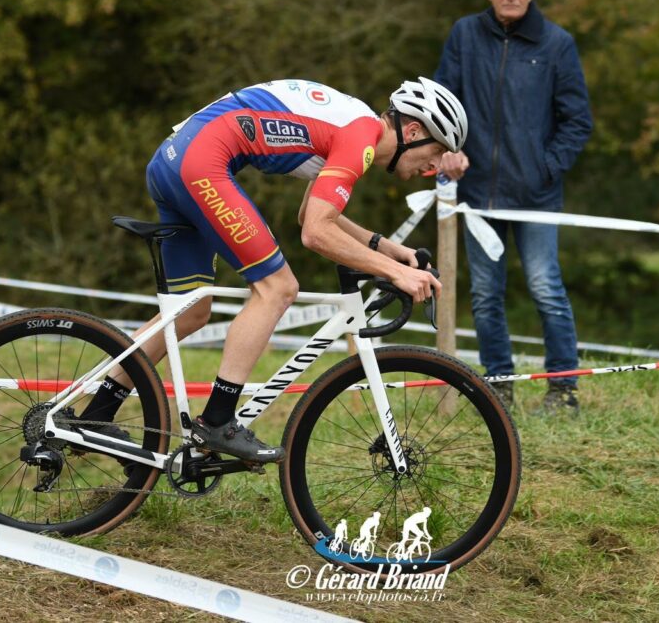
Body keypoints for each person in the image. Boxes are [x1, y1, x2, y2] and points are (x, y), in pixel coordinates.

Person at [77, 77, 467, 462]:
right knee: (277, 288)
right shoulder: (360, 136)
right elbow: (316, 233)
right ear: (412, 131)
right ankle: (217, 421)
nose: (435, 164)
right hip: (201, 163)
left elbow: (309, 215)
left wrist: (393, 253)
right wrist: (397, 273)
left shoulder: (353, 126)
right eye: (437, 150)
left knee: (190, 311)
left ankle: (94, 416)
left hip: (176, 161)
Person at [434, 0, 592, 414]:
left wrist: (546, 166)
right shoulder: (465, 34)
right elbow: (443, 102)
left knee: (546, 288)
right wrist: (450, 149)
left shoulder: (556, 43)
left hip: (536, 196)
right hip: (477, 193)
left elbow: (577, 121)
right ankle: (498, 388)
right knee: (485, 296)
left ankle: (563, 391)